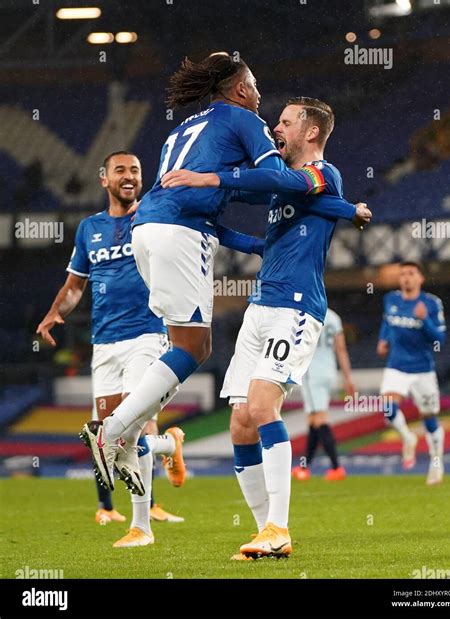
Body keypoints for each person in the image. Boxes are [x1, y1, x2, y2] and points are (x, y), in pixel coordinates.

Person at [162, 97, 372, 558]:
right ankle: (266, 534)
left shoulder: (323, 175)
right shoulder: (288, 192)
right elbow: (262, 220)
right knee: (240, 423)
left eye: (285, 121)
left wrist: (210, 177)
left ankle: (280, 526)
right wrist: (202, 218)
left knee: (261, 408)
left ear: (311, 132)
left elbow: (272, 178)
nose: (275, 127)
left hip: (295, 308)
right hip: (259, 307)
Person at [79, 52, 291, 496]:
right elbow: (273, 178)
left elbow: (204, 204)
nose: (259, 95)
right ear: (238, 89)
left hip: (147, 230)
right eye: (254, 85)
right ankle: (113, 430)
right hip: (179, 234)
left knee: (184, 344)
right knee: (195, 346)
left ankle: (126, 435)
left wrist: (257, 243)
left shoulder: (181, 130)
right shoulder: (244, 119)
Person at [37, 151, 185, 548]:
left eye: (135, 170)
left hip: (147, 335)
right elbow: (74, 286)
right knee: (108, 436)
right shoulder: (89, 228)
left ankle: (141, 527)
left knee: (130, 425)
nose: (129, 176)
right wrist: (54, 314)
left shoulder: (152, 215)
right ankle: (170, 445)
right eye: (120, 170)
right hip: (104, 344)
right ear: (104, 179)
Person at [377, 261, 446, 485]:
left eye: (411, 274)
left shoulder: (431, 303)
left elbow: (440, 339)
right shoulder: (391, 299)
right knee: (387, 406)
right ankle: (408, 438)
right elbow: (387, 321)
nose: (406, 277)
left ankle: (436, 462)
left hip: (422, 370)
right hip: (396, 365)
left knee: (429, 418)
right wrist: (383, 339)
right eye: (403, 274)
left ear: (420, 279)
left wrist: (424, 319)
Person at [292, 308, 355, 482]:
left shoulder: (305, 313)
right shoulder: (334, 317)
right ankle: (304, 467)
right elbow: (341, 349)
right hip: (329, 372)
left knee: (320, 419)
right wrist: (348, 378)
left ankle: (336, 467)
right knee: (313, 420)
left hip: (312, 373)